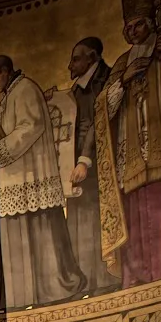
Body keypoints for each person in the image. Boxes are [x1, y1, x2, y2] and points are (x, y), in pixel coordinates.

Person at [0, 56, 86, 310]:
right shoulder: (11, 95)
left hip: (29, 177)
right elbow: (5, 130)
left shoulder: (25, 90)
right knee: (19, 236)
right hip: (13, 178)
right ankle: (24, 298)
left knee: (39, 233)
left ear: (5, 71)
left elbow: (29, 128)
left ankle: (55, 290)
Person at [102, 0, 161, 287]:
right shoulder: (123, 62)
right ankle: (138, 276)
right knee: (135, 214)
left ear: (150, 23)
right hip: (131, 149)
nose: (134, 31)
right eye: (129, 27)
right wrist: (122, 80)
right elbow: (104, 110)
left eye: (139, 25)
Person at [47, 37, 119, 295]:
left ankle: (104, 280)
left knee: (95, 220)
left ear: (92, 57)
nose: (70, 65)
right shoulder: (77, 89)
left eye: (76, 59)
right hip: (76, 169)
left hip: (97, 165)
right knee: (78, 221)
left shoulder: (105, 81)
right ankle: (85, 281)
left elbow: (95, 123)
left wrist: (84, 161)